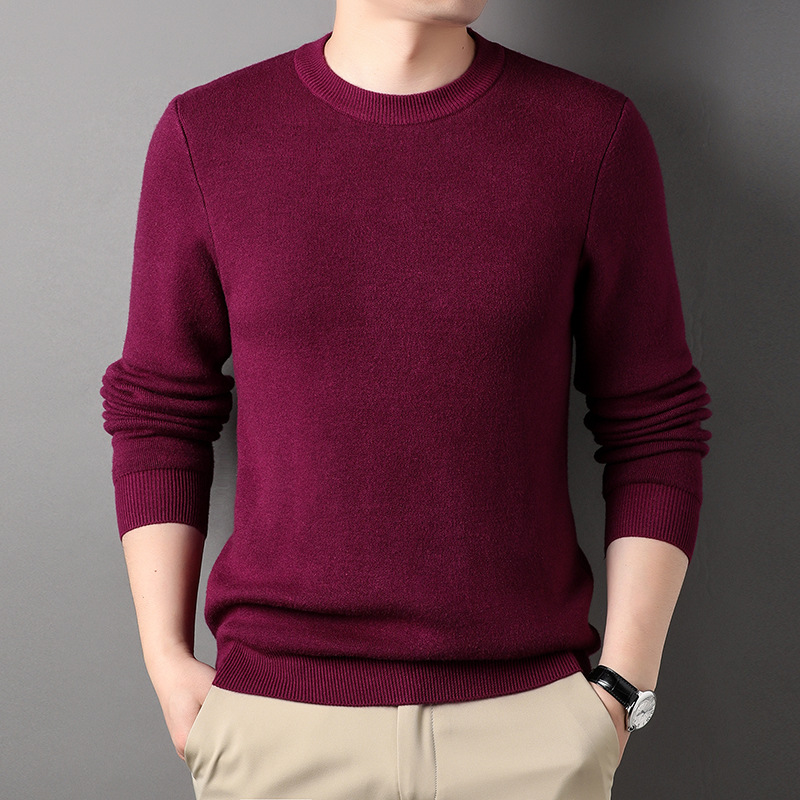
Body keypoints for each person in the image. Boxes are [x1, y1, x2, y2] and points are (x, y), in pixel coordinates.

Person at [100, 1, 712, 798]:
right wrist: (166, 662)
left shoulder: (590, 134)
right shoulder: (210, 133)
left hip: (529, 728)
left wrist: (622, 688)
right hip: (277, 725)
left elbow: (655, 421)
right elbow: (158, 411)